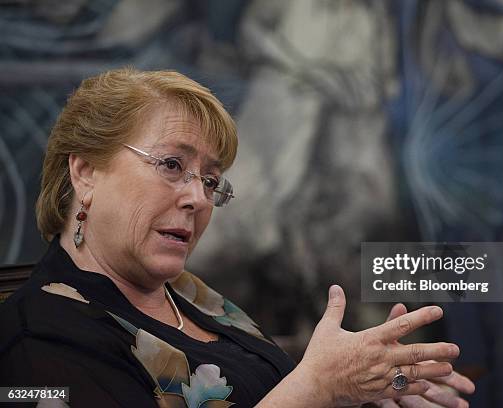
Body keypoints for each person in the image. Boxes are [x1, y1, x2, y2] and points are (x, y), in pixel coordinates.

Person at [0, 68, 474, 407]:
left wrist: (363, 390)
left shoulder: (192, 294)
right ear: (85, 171)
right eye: (171, 165)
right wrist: (317, 389)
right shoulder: (36, 341)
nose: (199, 199)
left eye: (209, 180)